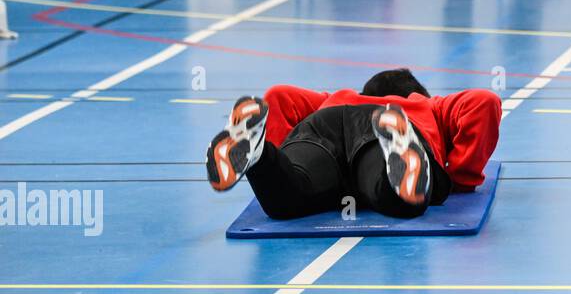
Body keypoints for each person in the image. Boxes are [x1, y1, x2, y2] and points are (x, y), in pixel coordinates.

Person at [204, 68, 501, 220]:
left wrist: (284, 152)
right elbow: (483, 103)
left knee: (287, 197)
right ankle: (398, 154)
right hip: (382, 127)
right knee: (396, 195)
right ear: (417, 93)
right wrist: (460, 178)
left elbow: (279, 95)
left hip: (325, 124)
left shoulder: (337, 96)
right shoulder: (427, 106)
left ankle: (261, 156)